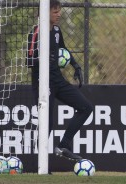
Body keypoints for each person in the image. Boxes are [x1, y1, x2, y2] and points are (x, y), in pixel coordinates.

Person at [26, 0, 93, 161]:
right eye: (55, 11)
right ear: (44, 12)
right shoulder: (36, 32)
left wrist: (76, 65)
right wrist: (41, 58)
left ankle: (63, 145)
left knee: (86, 107)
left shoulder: (56, 30)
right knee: (47, 122)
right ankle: (38, 164)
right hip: (42, 83)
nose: (59, 14)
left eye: (59, 11)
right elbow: (28, 61)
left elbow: (64, 50)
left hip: (58, 81)